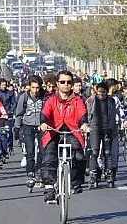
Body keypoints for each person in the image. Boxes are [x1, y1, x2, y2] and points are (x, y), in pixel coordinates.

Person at [39, 71, 90, 203]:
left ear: (72, 85)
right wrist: (44, 123)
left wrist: (84, 124)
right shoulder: (51, 100)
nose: (66, 85)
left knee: (78, 155)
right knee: (49, 156)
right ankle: (50, 188)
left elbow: (82, 113)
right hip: (54, 131)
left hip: (72, 131)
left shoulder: (78, 100)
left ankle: (76, 182)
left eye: (68, 82)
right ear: (57, 84)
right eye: (62, 82)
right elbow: (45, 112)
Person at [86, 81, 121, 186]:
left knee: (107, 152)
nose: (101, 94)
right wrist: (87, 127)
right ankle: (93, 172)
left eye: (104, 92)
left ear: (107, 92)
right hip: (95, 128)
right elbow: (87, 114)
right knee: (94, 151)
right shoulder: (91, 100)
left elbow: (112, 116)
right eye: (99, 92)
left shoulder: (111, 101)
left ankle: (109, 172)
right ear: (96, 91)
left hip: (107, 128)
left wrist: (110, 129)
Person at [15, 75, 45, 190]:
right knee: (30, 150)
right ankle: (30, 173)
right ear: (29, 87)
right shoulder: (24, 97)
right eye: (33, 88)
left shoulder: (44, 97)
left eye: (37, 88)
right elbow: (19, 113)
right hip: (28, 125)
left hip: (41, 126)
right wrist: (17, 127)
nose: (35, 90)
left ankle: (39, 170)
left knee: (43, 150)